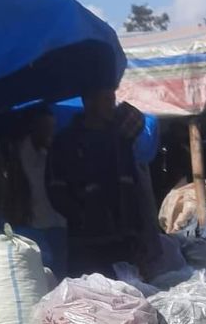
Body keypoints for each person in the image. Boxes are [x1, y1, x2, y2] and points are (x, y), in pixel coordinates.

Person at [46, 89, 152, 277]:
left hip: (123, 242)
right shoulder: (66, 142)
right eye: (106, 100)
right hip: (87, 244)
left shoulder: (121, 141)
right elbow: (56, 191)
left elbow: (133, 188)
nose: (111, 105)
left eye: (112, 99)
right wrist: (83, 217)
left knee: (127, 298)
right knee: (88, 299)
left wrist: (138, 233)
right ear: (88, 102)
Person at [0, 105, 69, 277]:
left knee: (59, 270)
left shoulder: (48, 153)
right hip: (36, 222)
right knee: (43, 270)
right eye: (45, 128)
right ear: (34, 129)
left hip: (57, 221)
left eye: (52, 128)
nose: (50, 133)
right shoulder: (25, 152)